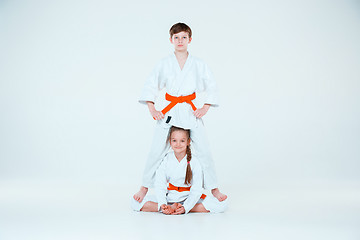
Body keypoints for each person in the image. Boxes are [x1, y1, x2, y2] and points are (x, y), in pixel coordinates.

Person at [133, 22, 227, 203]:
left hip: (190, 109)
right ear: (171, 40)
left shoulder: (198, 64)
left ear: (190, 39)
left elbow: (212, 86)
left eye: (184, 37)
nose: (180, 40)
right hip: (170, 109)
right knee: (156, 149)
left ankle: (214, 188)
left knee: (204, 149)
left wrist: (205, 107)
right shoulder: (164, 63)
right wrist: (152, 108)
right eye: (176, 37)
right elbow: (151, 85)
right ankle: (144, 186)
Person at [131, 127, 227, 214]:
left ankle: (183, 208)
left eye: (182, 141)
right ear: (170, 141)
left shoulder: (195, 161)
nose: (178, 144)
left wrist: (186, 207)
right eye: (174, 140)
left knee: (222, 205)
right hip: (170, 197)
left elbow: (197, 189)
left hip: (188, 197)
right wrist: (163, 204)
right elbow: (160, 184)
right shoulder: (166, 159)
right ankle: (168, 208)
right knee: (134, 202)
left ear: (188, 141)